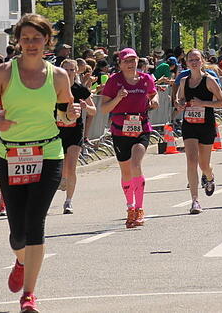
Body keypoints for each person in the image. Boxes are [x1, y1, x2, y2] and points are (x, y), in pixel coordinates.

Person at [0, 14, 81, 313]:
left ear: (47, 40)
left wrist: (72, 115)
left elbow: (64, 116)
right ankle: (20, 259)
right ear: (18, 41)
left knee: (36, 224)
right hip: (12, 156)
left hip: (47, 154)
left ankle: (29, 295)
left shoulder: (58, 76)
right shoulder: (4, 74)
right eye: (26, 39)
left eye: (37, 38)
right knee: (17, 233)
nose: (31, 44)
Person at [100, 47, 159, 228]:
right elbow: (104, 108)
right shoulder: (113, 81)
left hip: (141, 128)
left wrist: (155, 100)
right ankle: (130, 207)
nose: (130, 63)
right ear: (120, 63)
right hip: (119, 130)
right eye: (126, 61)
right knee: (126, 172)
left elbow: (153, 93)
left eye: (133, 60)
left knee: (136, 164)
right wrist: (118, 98)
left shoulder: (145, 79)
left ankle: (140, 209)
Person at [175, 49, 222, 214]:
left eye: (197, 59)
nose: (194, 62)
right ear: (186, 62)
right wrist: (180, 104)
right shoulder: (183, 81)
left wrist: (203, 102)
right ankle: (195, 201)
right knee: (191, 160)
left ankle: (209, 176)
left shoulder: (209, 81)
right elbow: (179, 100)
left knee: (203, 164)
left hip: (206, 125)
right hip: (189, 124)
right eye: (191, 60)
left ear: (202, 61)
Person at [56, 59, 96, 215]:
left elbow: (94, 111)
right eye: (65, 69)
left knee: (71, 165)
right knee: (59, 168)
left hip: (74, 131)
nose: (68, 72)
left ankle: (68, 202)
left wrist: (87, 107)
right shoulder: (54, 89)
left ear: (76, 72)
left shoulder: (80, 90)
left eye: (72, 70)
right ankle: (62, 179)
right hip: (56, 132)